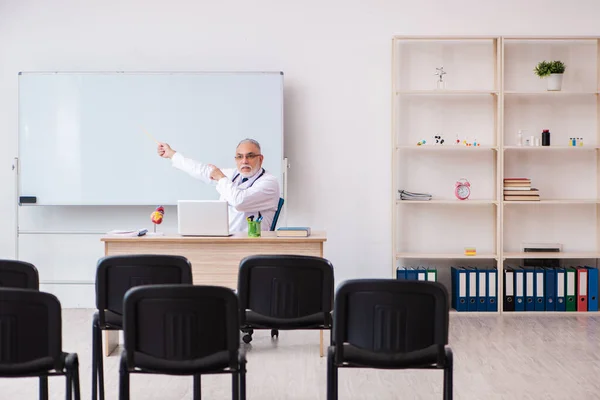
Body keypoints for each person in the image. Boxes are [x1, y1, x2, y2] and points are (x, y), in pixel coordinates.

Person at [157, 138, 280, 232]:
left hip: (252, 245)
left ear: (261, 159)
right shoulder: (234, 175)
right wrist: (172, 154)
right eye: (239, 157)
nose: (244, 161)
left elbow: (239, 201)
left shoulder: (269, 183)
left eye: (250, 156)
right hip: (225, 240)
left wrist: (221, 177)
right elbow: (201, 170)